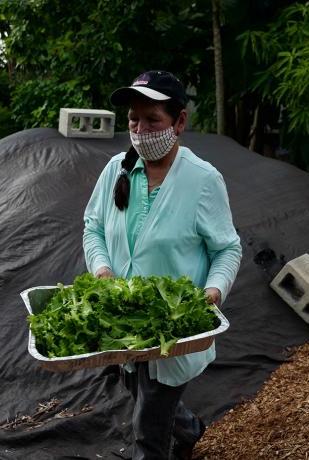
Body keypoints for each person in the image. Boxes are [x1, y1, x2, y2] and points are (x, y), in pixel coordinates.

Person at [82, 70, 242, 459]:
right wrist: (102, 269)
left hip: (173, 332)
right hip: (125, 325)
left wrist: (213, 292)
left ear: (179, 122)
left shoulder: (202, 180)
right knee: (138, 390)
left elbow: (227, 249)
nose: (140, 129)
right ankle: (192, 430)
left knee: (147, 431)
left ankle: (167, 440)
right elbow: (93, 229)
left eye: (153, 120)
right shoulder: (116, 170)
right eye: (134, 120)